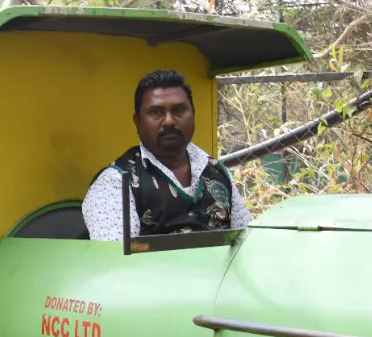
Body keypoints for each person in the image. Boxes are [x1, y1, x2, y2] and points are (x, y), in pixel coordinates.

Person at [82, 69, 252, 241]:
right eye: (156, 112)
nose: (169, 121)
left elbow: (246, 242)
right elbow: (117, 263)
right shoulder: (116, 181)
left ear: (193, 115)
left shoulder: (216, 171)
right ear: (137, 121)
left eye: (179, 110)